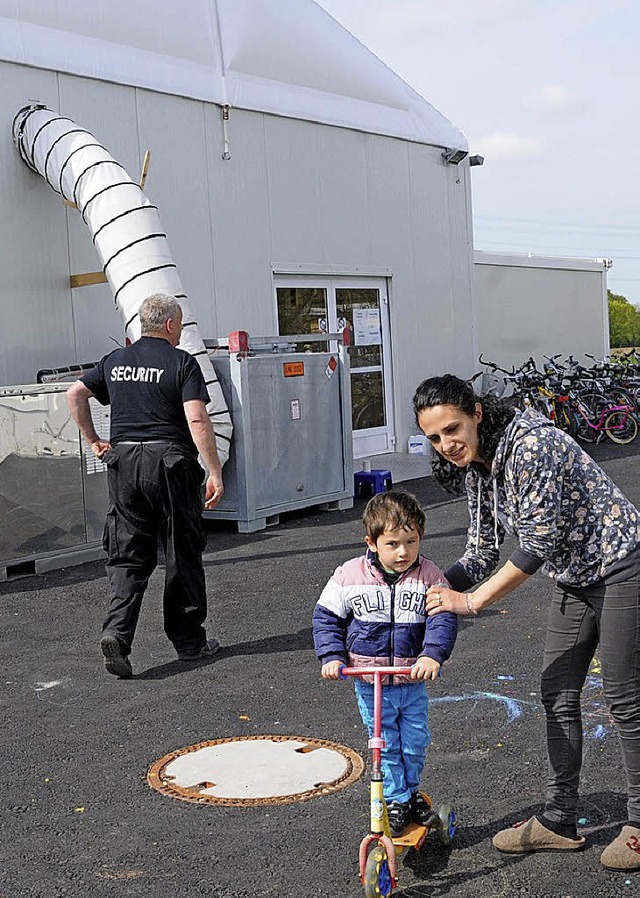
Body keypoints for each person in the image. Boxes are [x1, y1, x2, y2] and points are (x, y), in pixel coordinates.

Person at [413, 373, 640, 872]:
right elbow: (481, 550)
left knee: (625, 698)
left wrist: (469, 603)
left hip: (622, 566)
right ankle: (559, 821)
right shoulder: (478, 466)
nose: (447, 444)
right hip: (576, 577)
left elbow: (534, 546)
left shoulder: (533, 445)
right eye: (434, 437)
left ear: (476, 411)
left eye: (452, 428)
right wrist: (421, 585)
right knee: (557, 692)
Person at [67, 293, 224, 679]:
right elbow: (198, 421)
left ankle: (117, 634)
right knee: (180, 550)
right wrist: (214, 469)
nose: (182, 330)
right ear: (171, 325)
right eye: (182, 324)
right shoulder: (181, 362)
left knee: (127, 554)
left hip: (123, 463)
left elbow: (75, 393)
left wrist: (93, 441)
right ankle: (189, 642)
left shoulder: (115, 361)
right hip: (169, 464)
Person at [312, 490, 458, 836]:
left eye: (411, 541)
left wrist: (431, 654)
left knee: (415, 741)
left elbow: (443, 618)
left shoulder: (429, 575)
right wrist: (332, 656)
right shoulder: (350, 576)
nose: (404, 552)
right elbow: (325, 617)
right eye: (392, 543)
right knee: (384, 744)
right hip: (369, 680)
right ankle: (394, 798)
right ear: (372, 542)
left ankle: (409, 793)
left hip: (411, 677)